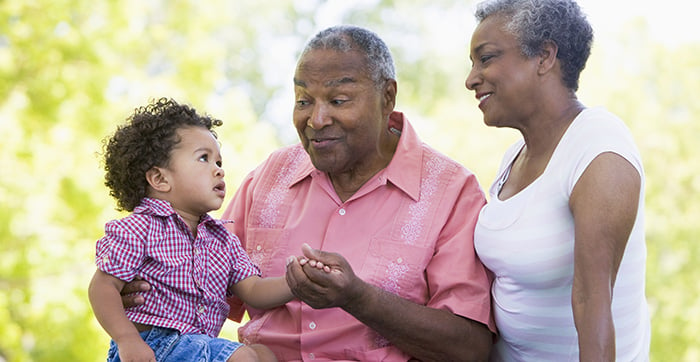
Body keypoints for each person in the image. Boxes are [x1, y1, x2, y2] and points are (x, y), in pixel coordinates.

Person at [121, 25, 496, 361]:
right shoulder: (268, 177)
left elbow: (469, 347)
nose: (316, 120)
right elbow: (207, 284)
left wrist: (357, 297)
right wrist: (143, 292)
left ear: (387, 97)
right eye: (303, 100)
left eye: (338, 101)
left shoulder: (451, 191)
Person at [465, 0, 651, 360]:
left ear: (544, 56)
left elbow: (591, 301)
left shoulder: (598, 147)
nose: (471, 78)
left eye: (486, 58)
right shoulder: (513, 157)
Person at [88, 98, 294, 362]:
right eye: (204, 159)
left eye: (219, 162)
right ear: (160, 179)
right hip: (153, 345)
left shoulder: (223, 241)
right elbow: (102, 288)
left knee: (265, 355)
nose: (218, 171)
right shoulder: (140, 228)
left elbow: (253, 290)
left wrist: (296, 282)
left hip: (198, 345)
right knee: (244, 358)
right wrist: (126, 338)